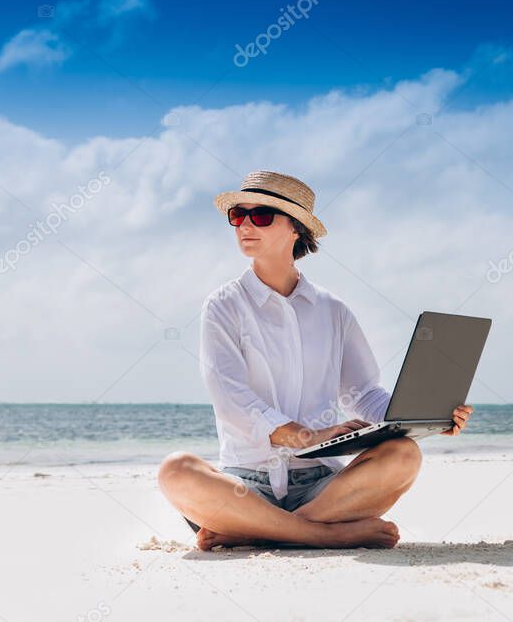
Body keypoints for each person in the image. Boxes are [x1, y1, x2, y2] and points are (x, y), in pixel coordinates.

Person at [157, 170, 473, 550]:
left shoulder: (333, 310)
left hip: (322, 489)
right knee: (175, 470)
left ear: (296, 228)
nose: (244, 225)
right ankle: (323, 534)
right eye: (238, 215)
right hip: (245, 485)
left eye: (260, 216)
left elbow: (364, 395)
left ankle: (256, 532)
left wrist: (425, 416)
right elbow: (232, 402)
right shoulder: (223, 306)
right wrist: (309, 435)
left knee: (405, 454)